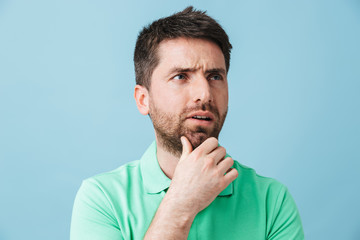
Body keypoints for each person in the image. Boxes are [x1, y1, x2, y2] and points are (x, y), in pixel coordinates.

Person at [70, 6, 304, 240]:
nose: (205, 93)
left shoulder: (271, 201)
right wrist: (182, 203)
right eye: (181, 76)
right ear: (143, 100)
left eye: (215, 77)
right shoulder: (101, 199)